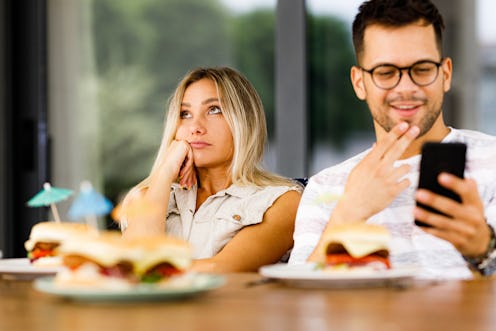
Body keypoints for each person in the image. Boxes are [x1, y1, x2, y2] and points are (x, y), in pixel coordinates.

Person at [289, 0, 496, 279]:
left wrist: (484, 250)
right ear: (359, 83)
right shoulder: (325, 186)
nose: (406, 88)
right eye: (386, 73)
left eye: (422, 69)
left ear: (445, 74)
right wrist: (347, 214)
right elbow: (298, 305)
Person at [120, 67, 302, 273]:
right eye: (185, 114)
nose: (195, 127)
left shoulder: (283, 202)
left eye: (214, 110)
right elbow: (129, 269)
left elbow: (222, 268)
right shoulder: (148, 197)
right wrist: (164, 173)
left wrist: (146, 269)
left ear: (244, 119)